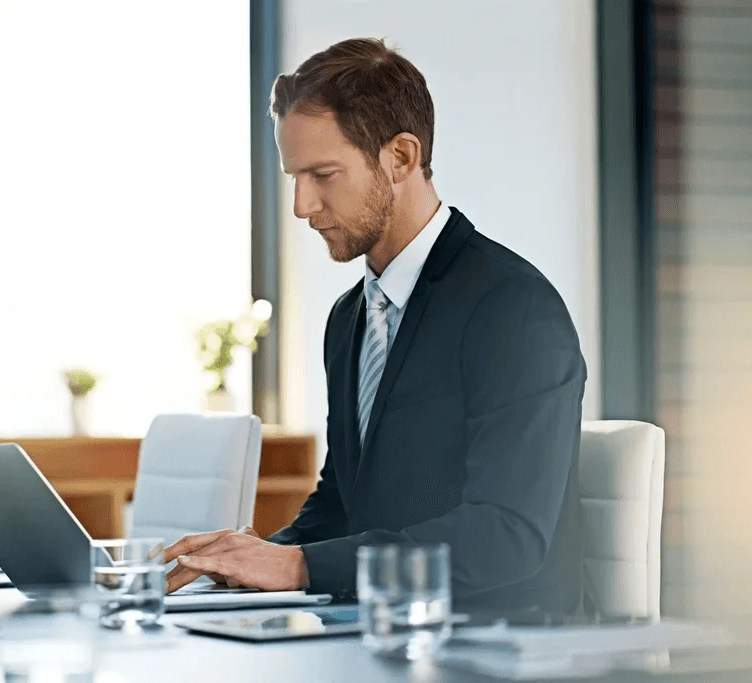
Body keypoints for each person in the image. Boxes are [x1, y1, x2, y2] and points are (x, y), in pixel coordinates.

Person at [164, 37, 586, 613]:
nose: (301, 206)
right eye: (295, 177)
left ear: (402, 158)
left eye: (323, 175)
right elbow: (343, 502)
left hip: (495, 644)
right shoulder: (350, 318)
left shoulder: (513, 308)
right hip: (380, 629)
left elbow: (506, 536)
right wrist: (245, 561)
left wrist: (297, 566)